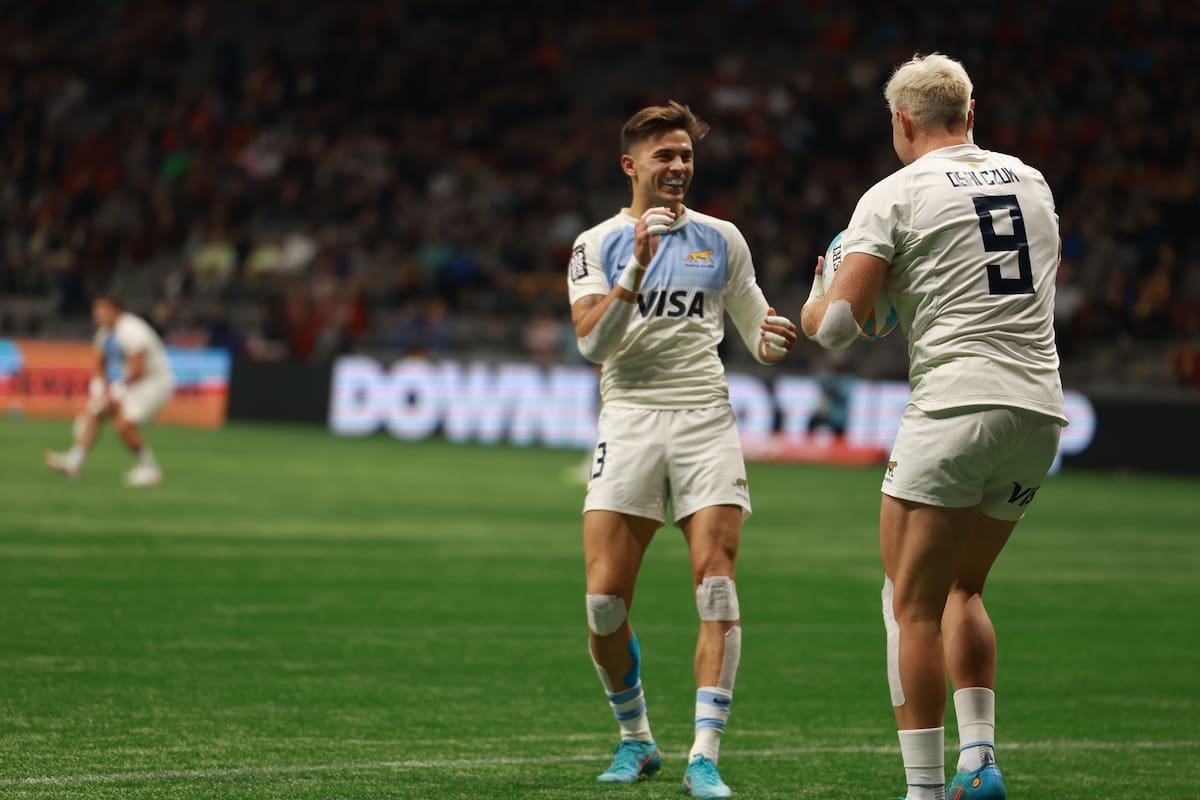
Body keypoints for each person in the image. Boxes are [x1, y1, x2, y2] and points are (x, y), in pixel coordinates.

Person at [800, 53, 1067, 800]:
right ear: (971, 114)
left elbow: (839, 328)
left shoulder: (893, 194)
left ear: (901, 122)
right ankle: (978, 761)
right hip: (1040, 409)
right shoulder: (1033, 182)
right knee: (965, 590)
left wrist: (820, 293)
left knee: (909, 603)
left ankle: (922, 790)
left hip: (955, 406)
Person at [567, 100, 797, 799]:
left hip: (705, 420)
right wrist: (635, 269)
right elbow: (592, 345)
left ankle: (705, 755)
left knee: (716, 582)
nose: (677, 166)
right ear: (630, 165)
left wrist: (773, 340)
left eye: (686, 156)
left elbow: (756, 326)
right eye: (663, 155)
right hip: (630, 418)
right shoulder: (596, 243)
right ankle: (636, 738)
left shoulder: (722, 238)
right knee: (603, 603)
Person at [45, 295, 176, 487]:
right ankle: (74, 462)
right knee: (95, 413)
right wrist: (99, 388)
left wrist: (116, 390)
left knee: (124, 425)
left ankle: (150, 470)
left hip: (153, 383)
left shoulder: (132, 330)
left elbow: (139, 369)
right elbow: (101, 363)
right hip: (133, 383)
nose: (97, 315)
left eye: (102, 310)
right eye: (96, 310)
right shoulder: (104, 333)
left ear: (116, 310)